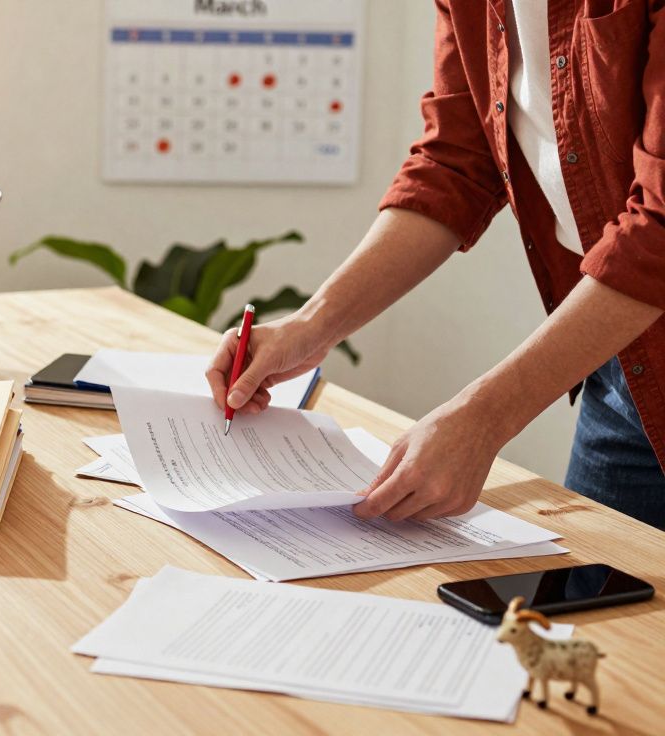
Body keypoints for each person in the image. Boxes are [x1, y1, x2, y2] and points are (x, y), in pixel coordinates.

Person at [207, 0, 665, 529]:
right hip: (626, 364)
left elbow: (659, 225)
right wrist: (310, 325)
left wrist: (485, 418)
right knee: (599, 601)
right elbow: (455, 162)